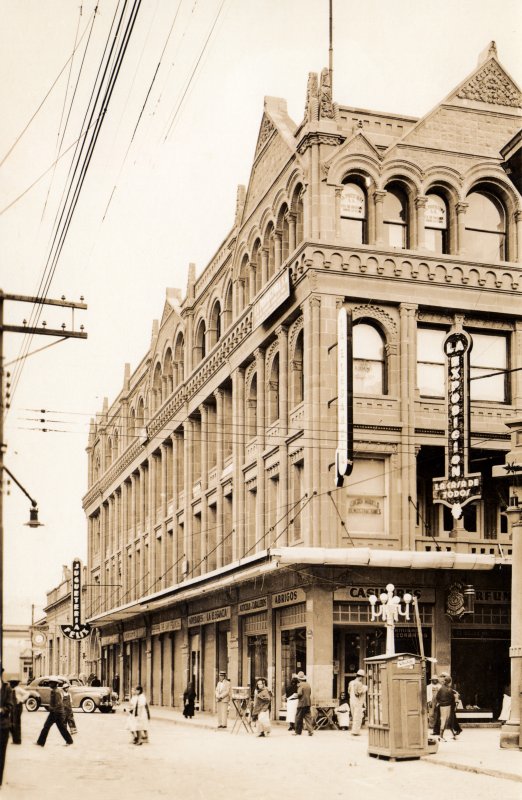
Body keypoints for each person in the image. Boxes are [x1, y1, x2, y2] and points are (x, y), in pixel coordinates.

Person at [36, 679, 74, 747]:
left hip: (57, 713)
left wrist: (52, 709)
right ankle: (40, 742)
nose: (49, 684)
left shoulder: (56, 692)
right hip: (54, 713)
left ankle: (69, 741)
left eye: (50, 683)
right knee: (47, 727)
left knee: (60, 728)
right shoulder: (54, 691)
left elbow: (58, 704)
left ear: (54, 684)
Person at [433, 675, 461, 741]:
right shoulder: (448, 689)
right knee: (445, 721)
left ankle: (453, 735)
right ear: (449, 682)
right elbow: (452, 698)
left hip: (442, 706)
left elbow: (437, 697)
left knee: (447, 720)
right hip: (447, 706)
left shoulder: (442, 688)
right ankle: (441, 736)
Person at [0, 669, 14, 787]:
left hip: (2, 726)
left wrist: (2, 710)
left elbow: (10, 705)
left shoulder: (6, 688)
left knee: (1, 754)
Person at [8, 677, 31, 744]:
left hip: (18, 707)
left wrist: (21, 700)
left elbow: (27, 693)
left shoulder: (18, 689)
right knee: (12, 722)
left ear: (15, 683)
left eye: (12, 683)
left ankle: (17, 740)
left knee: (16, 723)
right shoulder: (12, 690)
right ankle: (15, 738)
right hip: (13, 707)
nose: (11, 684)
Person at [348, 669, 367, 735]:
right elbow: (358, 693)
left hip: (351, 700)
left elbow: (349, 691)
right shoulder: (359, 683)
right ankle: (355, 731)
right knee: (358, 716)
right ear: (361, 677)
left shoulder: (351, 682)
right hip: (357, 701)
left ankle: (354, 730)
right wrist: (365, 688)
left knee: (354, 716)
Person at [294, 671, 314, 736]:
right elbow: (309, 693)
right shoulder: (308, 684)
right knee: (308, 717)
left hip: (301, 703)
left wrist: (296, 695)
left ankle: (298, 731)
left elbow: (299, 693)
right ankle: (310, 731)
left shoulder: (300, 685)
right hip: (308, 703)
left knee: (298, 718)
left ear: (298, 679)